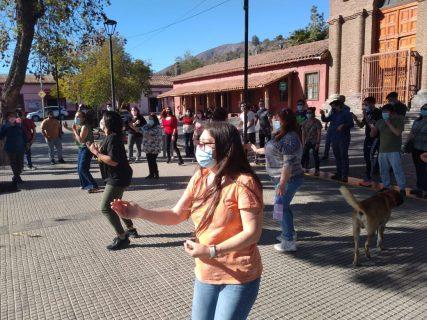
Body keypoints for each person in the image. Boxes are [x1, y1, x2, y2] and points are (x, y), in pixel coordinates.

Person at [111, 122, 263, 319]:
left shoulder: (243, 182)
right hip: (206, 271)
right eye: (199, 142)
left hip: (239, 276)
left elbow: (252, 233)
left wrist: (211, 251)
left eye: (207, 143)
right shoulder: (201, 176)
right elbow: (176, 214)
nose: (200, 147)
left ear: (227, 146)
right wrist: (139, 212)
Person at [250, 109, 303, 252]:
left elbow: (288, 164)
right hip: (279, 178)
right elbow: (271, 149)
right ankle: (289, 233)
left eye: (276, 118)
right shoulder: (280, 134)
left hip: (288, 179)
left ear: (284, 121)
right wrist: (255, 149)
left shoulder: (291, 138)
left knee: (281, 207)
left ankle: (289, 241)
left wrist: (282, 184)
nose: (273, 120)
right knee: (282, 207)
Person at [87, 111, 138, 250]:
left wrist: (95, 152)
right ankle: (130, 229)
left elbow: (113, 161)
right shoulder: (109, 137)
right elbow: (107, 157)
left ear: (108, 123)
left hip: (118, 177)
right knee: (116, 205)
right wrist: (98, 152)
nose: (101, 121)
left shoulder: (113, 138)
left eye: (103, 119)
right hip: (116, 176)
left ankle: (122, 237)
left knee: (106, 208)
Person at [370, 104, 406, 197]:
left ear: (392, 112)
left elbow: (397, 133)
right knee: (383, 170)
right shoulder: (380, 121)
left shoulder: (398, 120)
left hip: (394, 150)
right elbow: (372, 135)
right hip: (382, 150)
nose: (384, 113)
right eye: (383, 112)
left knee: (397, 170)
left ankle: (402, 188)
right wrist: (373, 129)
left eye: (386, 112)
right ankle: (386, 186)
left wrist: (389, 123)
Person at [320, 94, 354, 182]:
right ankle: (339, 174)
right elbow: (325, 120)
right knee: (337, 156)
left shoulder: (346, 113)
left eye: (333, 106)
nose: (332, 108)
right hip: (334, 137)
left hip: (343, 138)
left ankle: (344, 175)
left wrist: (343, 125)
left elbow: (351, 124)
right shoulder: (334, 114)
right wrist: (322, 115)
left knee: (343, 156)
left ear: (338, 105)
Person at [64, 111, 99, 193]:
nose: (76, 118)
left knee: (83, 168)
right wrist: (67, 128)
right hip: (81, 148)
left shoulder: (85, 127)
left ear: (83, 118)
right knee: (79, 169)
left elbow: (80, 140)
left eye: (79, 117)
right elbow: (75, 130)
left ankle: (94, 186)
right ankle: (85, 185)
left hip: (87, 149)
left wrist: (74, 131)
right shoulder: (80, 126)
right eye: (76, 116)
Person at [352, 96, 382, 187]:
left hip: (375, 138)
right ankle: (369, 177)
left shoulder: (377, 112)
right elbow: (361, 125)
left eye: (366, 104)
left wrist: (365, 115)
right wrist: (356, 119)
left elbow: (373, 125)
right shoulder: (368, 113)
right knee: (367, 157)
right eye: (364, 104)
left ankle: (370, 178)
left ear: (372, 103)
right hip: (368, 138)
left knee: (370, 157)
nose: (365, 106)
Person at [405, 104, 427, 198]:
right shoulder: (417, 121)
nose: (424, 111)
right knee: (418, 169)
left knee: (424, 170)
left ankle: (425, 190)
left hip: (425, 150)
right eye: (423, 109)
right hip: (415, 148)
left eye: (426, 109)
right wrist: (406, 143)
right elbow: (411, 133)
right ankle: (419, 188)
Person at [0, 111, 27, 185]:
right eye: (10, 117)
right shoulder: (5, 126)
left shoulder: (19, 125)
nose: (12, 118)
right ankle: (17, 177)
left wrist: (27, 143)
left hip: (20, 148)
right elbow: (1, 136)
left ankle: (16, 177)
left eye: (13, 116)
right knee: (14, 163)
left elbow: (24, 135)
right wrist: (6, 127)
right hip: (10, 148)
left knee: (20, 165)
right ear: (8, 118)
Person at [301, 107, 322, 176]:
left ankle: (317, 170)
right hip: (307, 141)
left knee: (315, 155)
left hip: (314, 142)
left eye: (309, 113)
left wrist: (318, 143)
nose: (308, 114)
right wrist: (303, 143)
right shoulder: (304, 122)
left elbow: (319, 133)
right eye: (307, 113)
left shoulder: (317, 122)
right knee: (304, 155)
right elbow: (303, 133)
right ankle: (303, 168)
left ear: (313, 113)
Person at [142, 113, 162, 179]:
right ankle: (151, 174)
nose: (149, 120)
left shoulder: (157, 127)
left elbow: (156, 136)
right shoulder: (147, 126)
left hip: (154, 147)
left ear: (154, 119)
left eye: (151, 119)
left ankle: (156, 174)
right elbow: (141, 130)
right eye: (149, 119)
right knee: (149, 161)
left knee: (153, 161)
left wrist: (147, 135)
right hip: (148, 147)